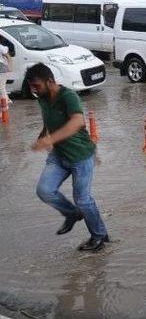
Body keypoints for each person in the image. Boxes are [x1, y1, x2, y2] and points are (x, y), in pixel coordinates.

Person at [27, 63, 108, 252]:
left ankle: (99, 237)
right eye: (32, 87)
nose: (35, 91)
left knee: (83, 199)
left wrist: (49, 140)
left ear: (50, 81)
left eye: (37, 86)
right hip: (59, 156)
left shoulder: (68, 96)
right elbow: (50, 120)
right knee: (44, 190)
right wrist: (43, 135)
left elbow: (77, 122)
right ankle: (71, 214)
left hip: (80, 156)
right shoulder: (43, 98)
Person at [0, 37, 12, 106]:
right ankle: (7, 100)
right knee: (2, 87)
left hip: (2, 68)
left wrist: (10, 66)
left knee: (1, 87)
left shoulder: (1, 47)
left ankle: (6, 102)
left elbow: (8, 56)